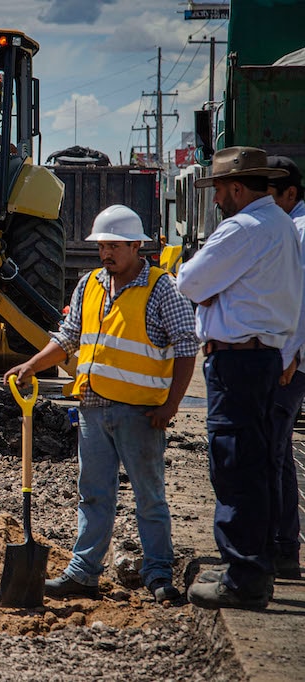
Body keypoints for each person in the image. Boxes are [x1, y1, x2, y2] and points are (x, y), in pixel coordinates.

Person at [3, 204, 198, 604]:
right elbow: (69, 336)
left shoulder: (163, 288)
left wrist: (171, 405)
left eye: (113, 247)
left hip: (141, 412)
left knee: (149, 496)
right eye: (101, 247)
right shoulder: (90, 283)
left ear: (135, 245)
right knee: (92, 493)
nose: (105, 254)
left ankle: (159, 573)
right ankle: (83, 573)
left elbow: (186, 346)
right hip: (92, 408)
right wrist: (32, 365)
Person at [176, 146, 303, 610]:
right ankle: (253, 564)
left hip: (238, 364)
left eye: (218, 192)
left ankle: (244, 578)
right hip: (264, 358)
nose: (215, 202)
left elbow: (189, 283)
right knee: (261, 464)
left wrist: (212, 293)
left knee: (235, 467)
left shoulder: (242, 229)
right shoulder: (282, 225)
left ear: (234, 188)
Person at [265, 155, 305, 581]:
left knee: (274, 453)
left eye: (269, 196)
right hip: (291, 357)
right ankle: (282, 548)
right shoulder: (289, 228)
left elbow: (301, 301)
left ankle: (282, 551)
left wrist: (288, 354)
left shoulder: (298, 232)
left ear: (289, 194)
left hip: (291, 362)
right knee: (278, 453)